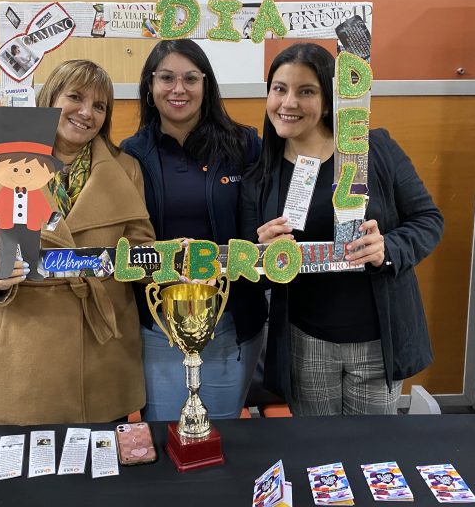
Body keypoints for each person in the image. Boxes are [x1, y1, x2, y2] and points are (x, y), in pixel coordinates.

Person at [241, 43, 443, 416]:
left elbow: (429, 220)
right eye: (279, 88)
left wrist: (389, 248)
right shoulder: (261, 175)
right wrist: (261, 255)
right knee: (319, 456)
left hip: (376, 341)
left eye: (306, 91)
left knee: (370, 456)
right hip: (306, 342)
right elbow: (253, 272)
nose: (289, 103)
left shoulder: (374, 149)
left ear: (331, 99)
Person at [0, 59, 155, 425]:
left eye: (99, 106)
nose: (86, 112)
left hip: (103, 352)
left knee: (103, 471)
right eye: (74, 97)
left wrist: (164, 262)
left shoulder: (127, 169)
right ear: (50, 98)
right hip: (24, 352)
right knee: (29, 474)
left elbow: (140, 248)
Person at [121, 39, 268, 421]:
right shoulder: (129, 154)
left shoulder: (244, 145)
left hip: (230, 320)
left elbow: (267, 214)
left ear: (206, 84)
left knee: (222, 437)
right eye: (166, 78)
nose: (178, 89)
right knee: (165, 432)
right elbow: (123, 236)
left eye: (190, 78)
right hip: (157, 324)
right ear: (150, 88)